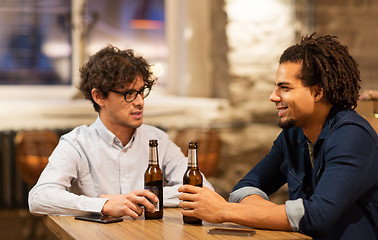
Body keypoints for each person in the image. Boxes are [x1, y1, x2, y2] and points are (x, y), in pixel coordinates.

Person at [178, 33, 378, 239]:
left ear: (318, 92)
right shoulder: (293, 135)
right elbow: (244, 188)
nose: (273, 96)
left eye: (285, 87)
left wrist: (224, 211)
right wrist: (277, 214)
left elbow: (318, 216)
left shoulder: (352, 136)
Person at [28, 45, 213, 218]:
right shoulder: (77, 143)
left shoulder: (157, 139)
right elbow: (38, 198)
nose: (140, 102)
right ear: (99, 96)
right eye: (129, 94)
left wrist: (141, 199)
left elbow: (204, 190)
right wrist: (104, 204)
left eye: (141, 91)